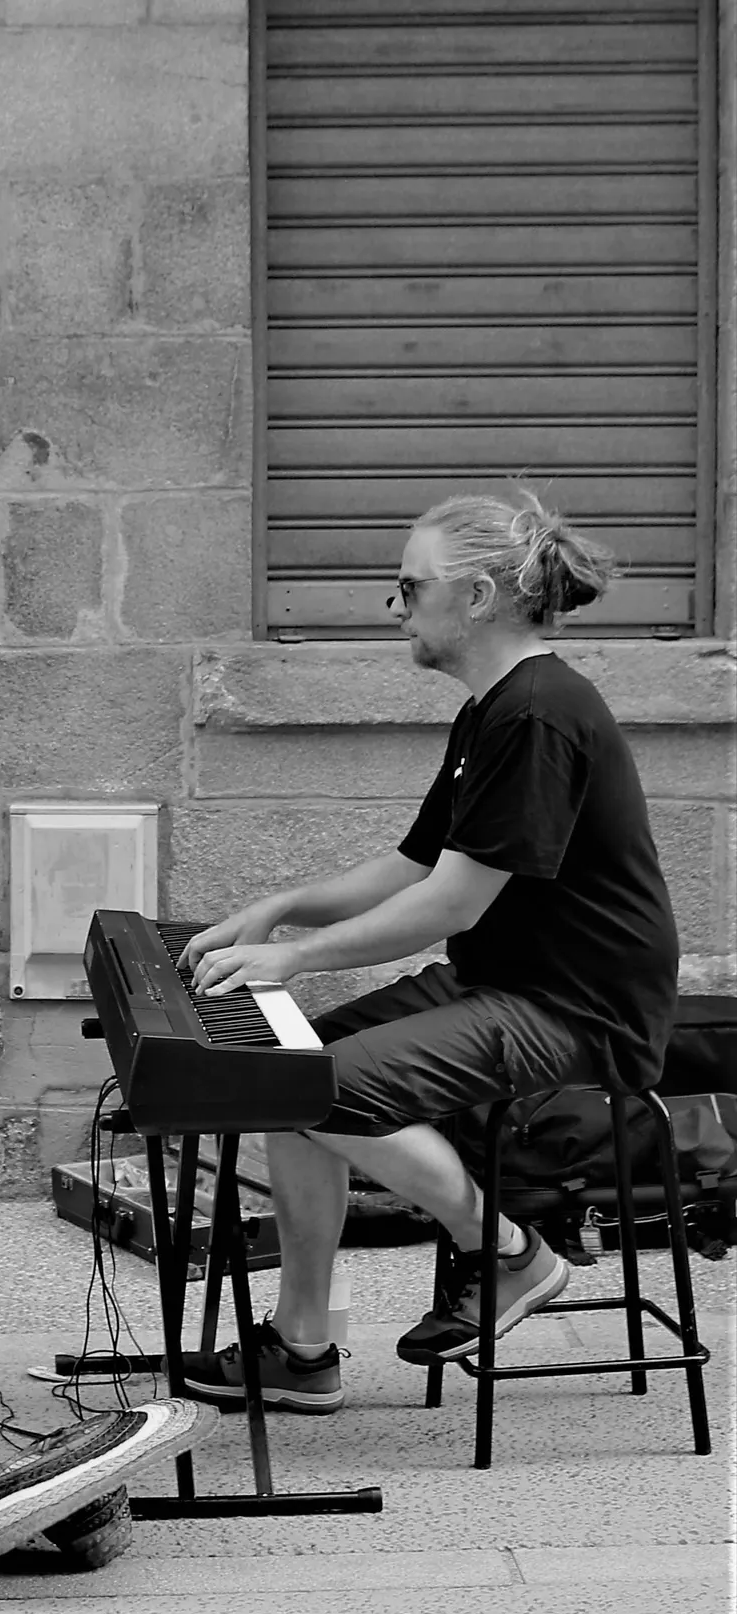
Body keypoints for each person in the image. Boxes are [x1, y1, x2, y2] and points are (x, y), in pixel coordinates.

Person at [171, 489, 679, 1414]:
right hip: (505, 984)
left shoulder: (538, 713)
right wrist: (278, 909)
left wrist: (295, 958)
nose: (395, 606)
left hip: (574, 1011)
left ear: (479, 596)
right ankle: (303, 1349)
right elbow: (412, 865)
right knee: (283, 1077)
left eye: (409, 586)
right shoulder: (493, 710)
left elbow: (451, 899)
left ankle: (513, 1255)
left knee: (306, 1088)